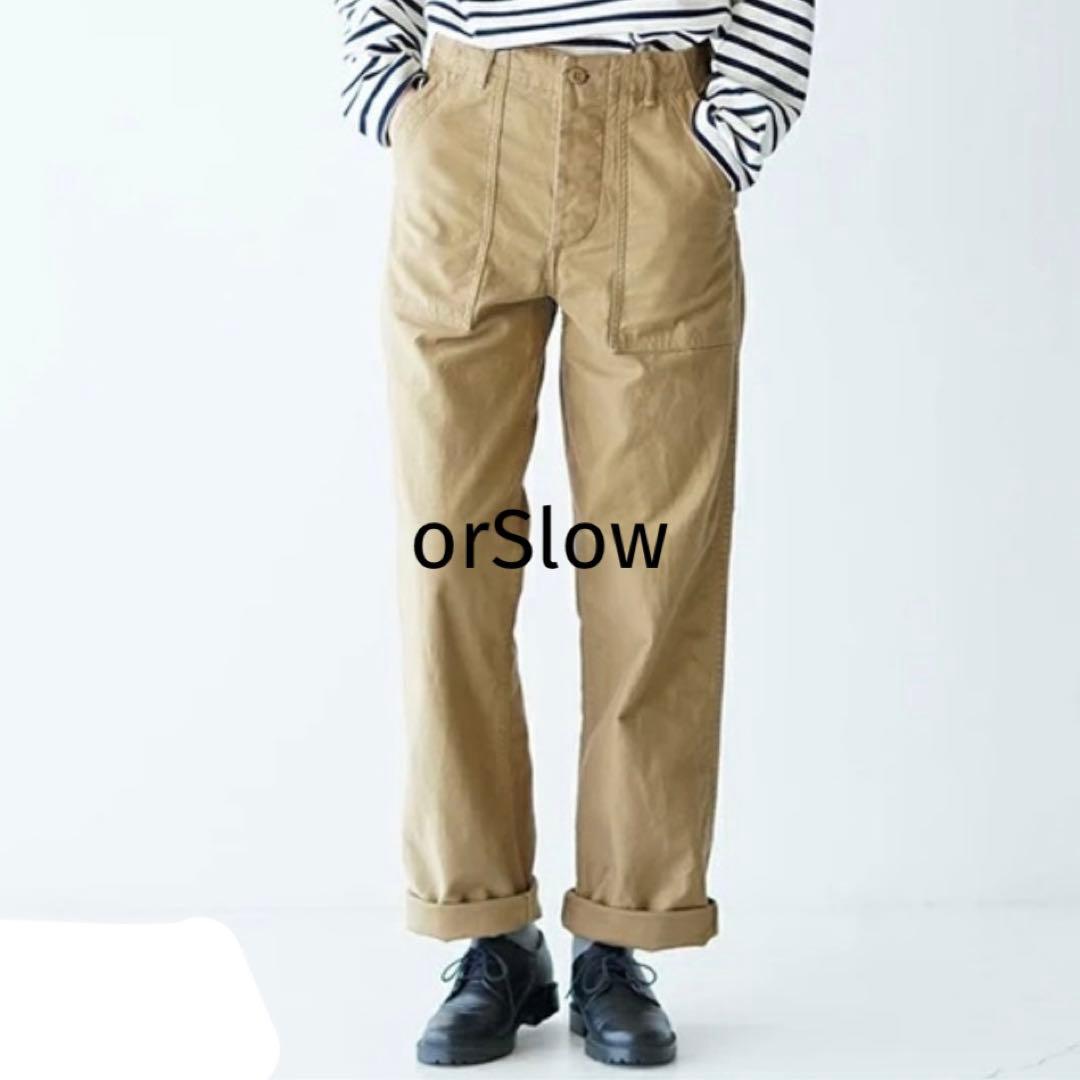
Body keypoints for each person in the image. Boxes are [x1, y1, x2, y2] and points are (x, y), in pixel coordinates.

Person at [336, 0, 814, 1066]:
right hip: (466, 128)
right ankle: (489, 933)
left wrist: (720, 145)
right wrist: (399, 103)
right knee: (451, 563)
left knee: (650, 576)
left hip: (659, 135)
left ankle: (617, 938)